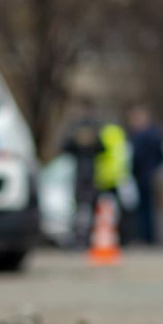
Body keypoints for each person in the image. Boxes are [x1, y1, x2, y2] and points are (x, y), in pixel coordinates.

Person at [61, 99, 104, 248]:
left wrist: (94, 140)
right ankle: (78, 237)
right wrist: (74, 139)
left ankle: (89, 238)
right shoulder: (74, 127)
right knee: (78, 207)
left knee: (91, 207)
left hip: (92, 174)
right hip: (79, 173)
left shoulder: (96, 127)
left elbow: (102, 149)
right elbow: (65, 148)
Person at [127, 106, 163, 244]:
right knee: (150, 208)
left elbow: (136, 158)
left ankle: (147, 238)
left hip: (144, 176)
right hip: (151, 175)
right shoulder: (157, 134)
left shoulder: (141, 136)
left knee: (145, 209)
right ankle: (150, 238)